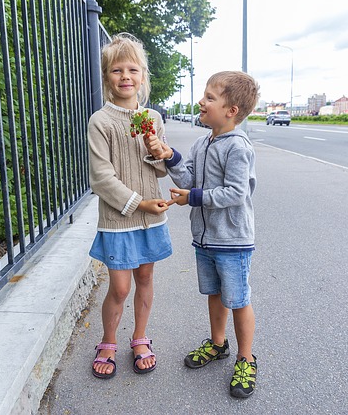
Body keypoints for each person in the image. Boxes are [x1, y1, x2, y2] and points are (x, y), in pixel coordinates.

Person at [144, 71, 260, 398]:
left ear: (231, 110)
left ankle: (246, 358)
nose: (201, 101)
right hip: (205, 239)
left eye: (210, 97)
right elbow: (191, 178)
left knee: (237, 300)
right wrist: (171, 157)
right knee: (214, 293)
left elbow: (236, 193)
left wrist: (193, 198)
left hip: (233, 241)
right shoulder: (202, 141)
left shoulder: (237, 147)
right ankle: (218, 344)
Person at [87, 33, 172, 379]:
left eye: (133, 70)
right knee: (120, 287)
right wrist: (140, 203)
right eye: (117, 70)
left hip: (151, 220)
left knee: (146, 276)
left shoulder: (151, 117)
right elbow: (101, 177)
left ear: (143, 76)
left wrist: (157, 151)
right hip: (119, 219)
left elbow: (163, 167)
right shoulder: (100, 121)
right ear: (107, 77)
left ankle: (140, 338)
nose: (125, 76)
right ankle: (108, 340)